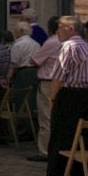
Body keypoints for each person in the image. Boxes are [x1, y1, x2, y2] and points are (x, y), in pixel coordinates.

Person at [27, 15, 88, 176]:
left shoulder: (67, 47)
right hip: (87, 95)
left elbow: (58, 75)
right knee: (81, 140)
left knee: (59, 140)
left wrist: (52, 98)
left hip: (69, 94)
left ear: (71, 29)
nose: (57, 31)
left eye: (60, 27)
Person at [27, 15, 63, 161]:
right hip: (63, 81)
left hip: (49, 81)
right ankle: (58, 147)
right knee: (58, 117)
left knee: (46, 117)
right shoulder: (68, 42)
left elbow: (34, 59)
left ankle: (45, 151)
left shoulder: (52, 42)